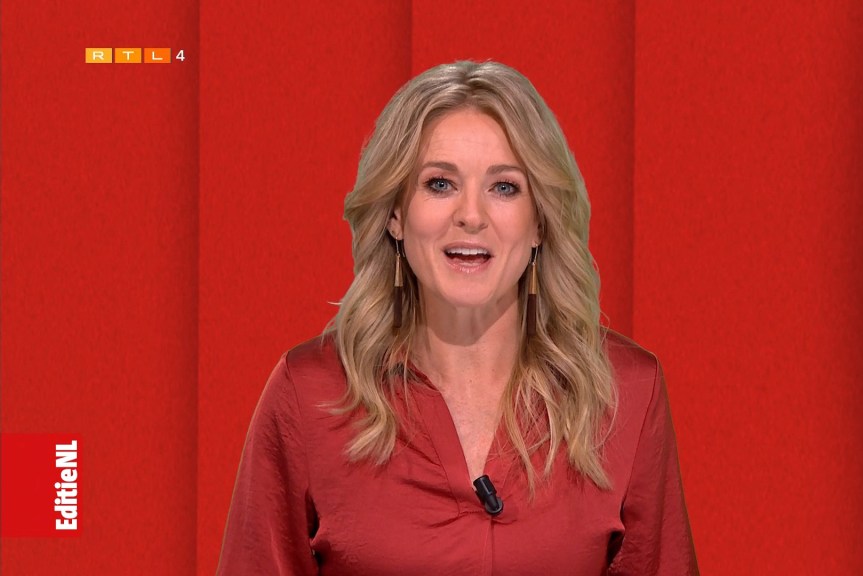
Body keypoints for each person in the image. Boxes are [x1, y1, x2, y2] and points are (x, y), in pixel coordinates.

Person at [217, 60, 698, 575]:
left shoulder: (627, 392)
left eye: (504, 187)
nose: (471, 215)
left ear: (540, 222)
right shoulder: (308, 393)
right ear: (396, 215)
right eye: (440, 184)